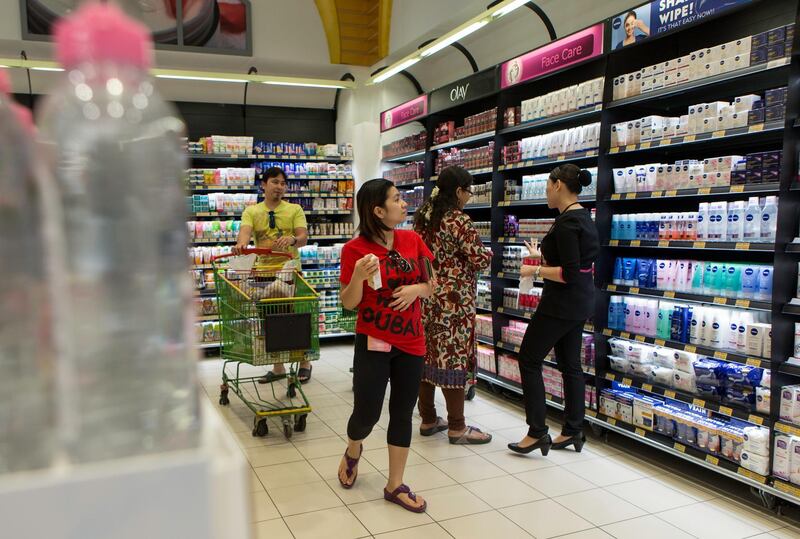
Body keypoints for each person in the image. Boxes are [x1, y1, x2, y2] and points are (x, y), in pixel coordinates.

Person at [336, 179, 434, 513]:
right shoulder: (354, 250)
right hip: (373, 340)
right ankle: (353, 448)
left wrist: (416, 291)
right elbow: (349, 304)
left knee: (403, 411)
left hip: (412, 341)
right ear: (378, 211)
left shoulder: (413, 239)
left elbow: (431, 283)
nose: (404, 203)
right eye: (397, 199)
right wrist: (358, 279)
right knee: (367, 412)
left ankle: (395, 484)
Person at [508, 164, 599, 456]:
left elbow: (569, 273)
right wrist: (542, 258)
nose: (546, 191)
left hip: (560, 303)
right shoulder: (584, 217)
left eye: (548, 185)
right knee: (569, 364)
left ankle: (537, 431)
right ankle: (573, 429)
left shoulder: (567, 223)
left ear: (558, 185)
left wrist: (535, 270)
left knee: (529, 358)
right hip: (581, 302)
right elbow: (580, 264)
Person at [413, 166, 493, 444]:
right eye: (469, 191)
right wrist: (488, 254)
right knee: (453, 359)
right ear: (459, 191)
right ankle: (457, 427)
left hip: (426, 298)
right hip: (454, 304)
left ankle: (427, 419)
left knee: (426, 357)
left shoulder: (423, 217)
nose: (469, 197)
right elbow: (480, 259)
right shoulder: (459, 221)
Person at [233, 166, 312, 383]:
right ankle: (278, 367)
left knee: (294, 319)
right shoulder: (252, 211)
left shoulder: (294, 209)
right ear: (263, 185)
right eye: (275, 182)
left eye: (283, 183)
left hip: (289, 271)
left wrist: (293, 240)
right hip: (263, 272)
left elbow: (303, 236)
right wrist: (241, 246)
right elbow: (245, 234)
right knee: (268, 319)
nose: (279, 186)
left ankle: (304, 361)